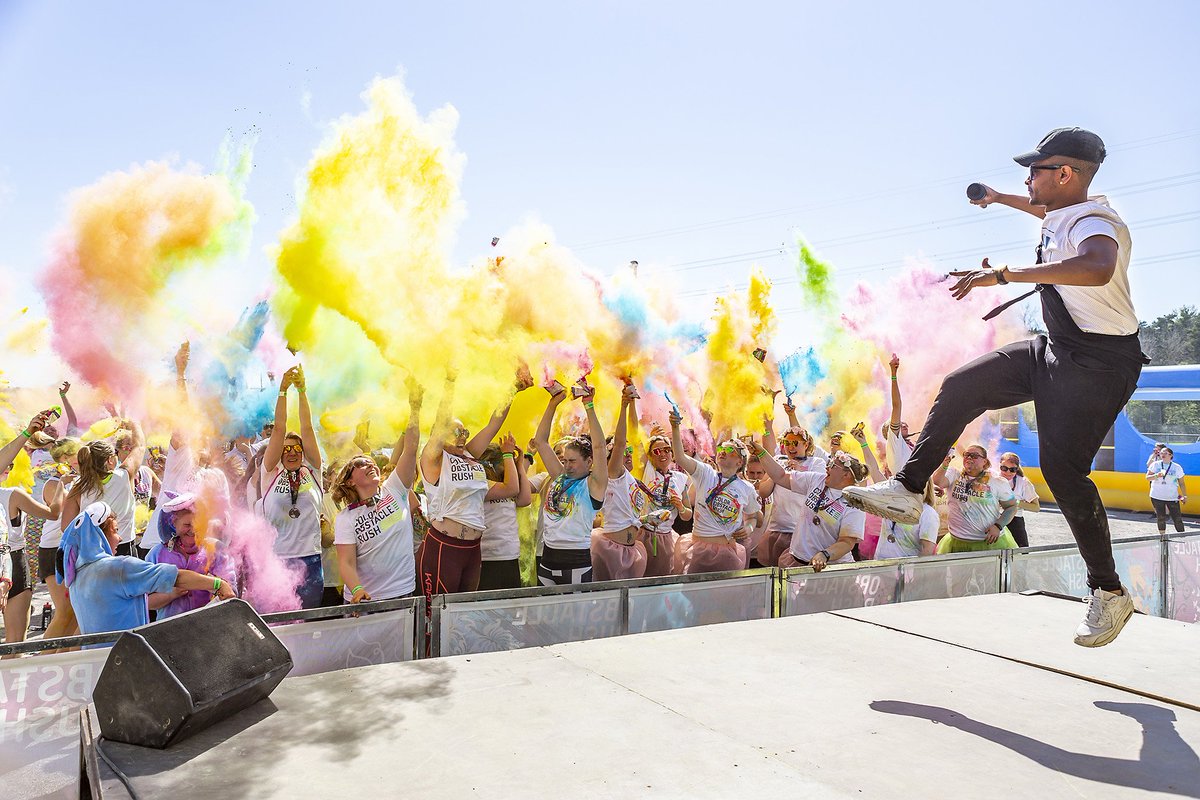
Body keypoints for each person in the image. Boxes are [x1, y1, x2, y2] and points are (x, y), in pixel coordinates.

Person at [844, 127, 1145, 647]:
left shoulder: (1097, 222)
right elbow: (1046, 214)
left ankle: (1109, 591)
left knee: (1062, 472)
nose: (1027, 179)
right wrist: (999, 198)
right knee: (962, 386)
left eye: (1035, 171)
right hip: (1055, 349)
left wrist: (1004, 275)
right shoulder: (1070, 210)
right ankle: (909, 489)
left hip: (1098, 364)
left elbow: (1098, 267)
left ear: (1066, 174)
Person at [418, 369, 529, 596]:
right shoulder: (434, 460)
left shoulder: (469, 455)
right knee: (438, 611)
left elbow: (493, 424)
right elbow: (440, 422)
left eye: (465, 431)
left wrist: (513, 389)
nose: (463, 436)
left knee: (465, 611)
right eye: (456, 431)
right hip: (444, 547)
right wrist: (450, 381)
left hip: (472, 548)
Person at [57, 502, 235, 639]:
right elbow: (176, 577)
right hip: (125, 658)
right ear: (102, 535)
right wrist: (218, 584)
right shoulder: (118, 568)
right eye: (116, 531)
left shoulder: (76, 577)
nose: (119, 538)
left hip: (96, 662)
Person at [332, 383, 422, 603]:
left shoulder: (395, 488)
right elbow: (346, 563)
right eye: (362, 464)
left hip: (404, 595)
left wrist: (415, 407)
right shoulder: (346, 518)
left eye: (371, 462)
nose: (370, 464)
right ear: (350, 481)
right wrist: (357, 590)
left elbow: (410, 449)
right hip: (367, 602)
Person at [260, 365, 325, 608]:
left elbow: (307, 428)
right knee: (281, 625)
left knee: (307, 624)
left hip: (311, 560)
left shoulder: (313, 471)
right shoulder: (271, 472)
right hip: (278, 560)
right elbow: (279, 428)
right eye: (285, 449)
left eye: (296, 448)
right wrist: (283, 391)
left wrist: (302, 390)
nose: (291, 452)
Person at [531, 379, 608, 585]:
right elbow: (540, 442)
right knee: (546, 615)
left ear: (589, 461)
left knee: (575, 616)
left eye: (572, 461)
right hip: (547, 559)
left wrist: (589, 405)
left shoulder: (594, 484)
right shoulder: (560, 478)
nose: (567, 465)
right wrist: (553, 403)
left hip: (575, 562)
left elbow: (600, 447)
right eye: (564, 460)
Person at [668, 409, 760, 574]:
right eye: (722, 448)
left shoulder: (746, 488)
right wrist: (675, 427)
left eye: (730, 451)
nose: (723, 452)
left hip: (727, 552)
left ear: (740, 462)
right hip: (697, 550)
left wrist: (749, 529)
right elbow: (680, 457)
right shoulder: (706, 473)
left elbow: (753, 517)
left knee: (723, 597)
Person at [757, 445, 867, 571]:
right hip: (797, 559)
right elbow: (781, 476)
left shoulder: (854, 504)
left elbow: (847, 542)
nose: (827, 467)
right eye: (829, 463)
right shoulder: (817, 480)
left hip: (829, 569)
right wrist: (762, 453)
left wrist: (825, 554)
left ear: (846, 475)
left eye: (833, 466)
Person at [60, 420, 146, 557]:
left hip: (92, 552)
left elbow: (66, 526)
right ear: (110, 460)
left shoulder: (78, 486)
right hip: (124, 550)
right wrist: (134, 423)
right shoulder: (123, 476)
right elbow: (140, 446)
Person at [144, 492, 236, 618]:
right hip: (169, 631)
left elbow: (231, 593)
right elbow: (146, 602)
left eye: (198, 525)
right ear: (173, 523)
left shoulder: (217, 550)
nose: (192, 530)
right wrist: (172, 594)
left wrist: (215, 586)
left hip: (210, 627)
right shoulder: (157, 554)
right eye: (187, 525)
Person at [592, 384, 649, 581]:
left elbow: (633, 434)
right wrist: (623, 406)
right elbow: (621, 442)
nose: (628, 454)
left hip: (632, 549)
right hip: (610, 550)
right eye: (623, 453)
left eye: (629, 452)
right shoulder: (613, 473)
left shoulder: (631, 477)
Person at [933, 445, 1020, 553]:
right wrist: (945, 464)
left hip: (987, 543)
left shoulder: (997, 481)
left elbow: (1012, 506)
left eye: (974, 456)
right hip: (956, 542)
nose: (969, 458)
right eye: (967, 455)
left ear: (984, 461)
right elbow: (938, 481)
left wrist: (998, 526)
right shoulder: (954, 474)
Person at [478, 438, 531, 590]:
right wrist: (507, 454)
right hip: (488, 556)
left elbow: (525, 499)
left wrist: (520, 465)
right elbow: (513, 489)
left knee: (508, 607)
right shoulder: (482, 484)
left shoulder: (506, 483)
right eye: (505, 463)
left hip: (509, 554)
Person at [637, 429, 690, 577]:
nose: (663, 454)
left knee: (662, 579)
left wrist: (680, 507)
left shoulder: (680, 478)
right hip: (643, 534)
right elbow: (640, 452)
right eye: (657, 451)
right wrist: (649, 437)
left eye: (667, 450)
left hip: (666, 538)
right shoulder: (646, 472)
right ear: (650, 455)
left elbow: (687, 515)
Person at [874, 481, 939, 560]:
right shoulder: (892, 502)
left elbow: (927, 550)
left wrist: (915, 571)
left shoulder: (928, 513)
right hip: (881, 566)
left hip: (906, 569)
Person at [999, 452, 1040, 548]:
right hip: (994, 519)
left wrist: (1014, 503)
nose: (1008, 472)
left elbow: (1036, 507)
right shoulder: (993, 478)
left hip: (1015, 521)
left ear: (1017, 469)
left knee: (1021, 552)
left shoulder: (1023, 482)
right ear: (999, 466)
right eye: (1004, 468)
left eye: (1012, 469)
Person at [1147, 447, 1187, 534]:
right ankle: (1163, 538)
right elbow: (1148, 478)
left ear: (1171, 455)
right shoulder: (1155, 465)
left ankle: (1183, 536)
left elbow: (1182, 483)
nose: (1162, 455)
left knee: (1177, 518)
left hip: (1173, 497)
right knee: (1161, 517)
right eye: (1161, 453)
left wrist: (1184, 496)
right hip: (1156, 496)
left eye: (1165, 453)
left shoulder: (1177, 467)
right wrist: (1157, 475)